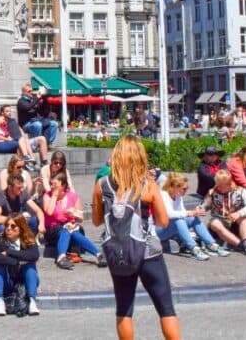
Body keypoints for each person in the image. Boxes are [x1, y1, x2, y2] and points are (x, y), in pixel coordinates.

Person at [91, 135, 179, 340]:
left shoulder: (102, 184)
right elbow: (163, 221)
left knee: (124, 308)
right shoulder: (147, 185)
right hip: (148, 252)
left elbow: (96, 220)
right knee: (165, 308)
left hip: (119, 253)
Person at [156, 173, 226, 260]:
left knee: (192, 218)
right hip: (158, 231)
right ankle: (193, 248)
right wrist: (190, 213)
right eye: (184, 189)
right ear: (175, 187)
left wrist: (195, 213)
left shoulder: (178, 196)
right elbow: (169, 214)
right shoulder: (163, 195)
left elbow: (182, 212)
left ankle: (211, 244)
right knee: (179, 220)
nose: (186, 191)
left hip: (170, 226)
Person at [0, 212, 41, 316]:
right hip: (8, 281)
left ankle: (32, 300)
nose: (8, 228)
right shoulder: (0, 238)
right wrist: (16, 262)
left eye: (13, 226)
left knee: (30, 264)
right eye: (6, 225)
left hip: (24, 282)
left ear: (21, 227)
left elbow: (34, 255)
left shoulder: (28, 238)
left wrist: (9, 252)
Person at [44, 172, 103, 270]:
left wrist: (73, 214)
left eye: (55, 184)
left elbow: (81, 218)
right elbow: (49, 212)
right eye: (51, 184)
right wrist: (54, 196)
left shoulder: (72, 196)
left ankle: (99, 255)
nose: (51, 186)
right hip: (53, 229)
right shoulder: (48, 195)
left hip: (71, 227)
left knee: (73, 231)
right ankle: (61, 257)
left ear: (63, 185)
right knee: (66, 230)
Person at [200, 169, 246, 257]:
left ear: (229, 184)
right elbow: (204, 206)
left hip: (235, 222)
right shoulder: (212, 192)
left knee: (244, 218)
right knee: (214, 223)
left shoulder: (241, 191)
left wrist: (239, 213)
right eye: (217, 184)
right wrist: (200, 209)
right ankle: (243, 246)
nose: (218, 187)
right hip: (220, 221)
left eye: (221, 186)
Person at [0, 173, 44, 239]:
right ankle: (5, 244)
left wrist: (41, 224)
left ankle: (29, 241)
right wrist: (16, 219)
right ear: (10, 187)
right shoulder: (1, 197)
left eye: (22, 187)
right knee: (2, 228)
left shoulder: (22, 193)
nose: (22, 190)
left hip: (16, 223)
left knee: (34, 221)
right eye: (19, 188)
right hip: (2, 226)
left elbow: (38, 210)